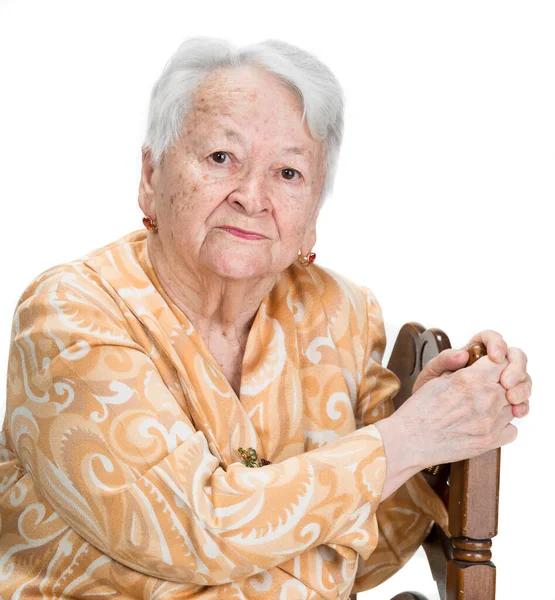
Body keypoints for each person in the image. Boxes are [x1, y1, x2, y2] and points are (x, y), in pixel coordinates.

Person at [0, 36, 531, 599]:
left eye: (288, 174)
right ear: (151, 176)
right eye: (221, 158)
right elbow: (190, 529)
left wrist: (436, 423)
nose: (252, 197)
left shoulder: (341, 314)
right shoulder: (70, 315)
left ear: (313, 218)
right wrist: (404, 440)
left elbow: (366, 551)